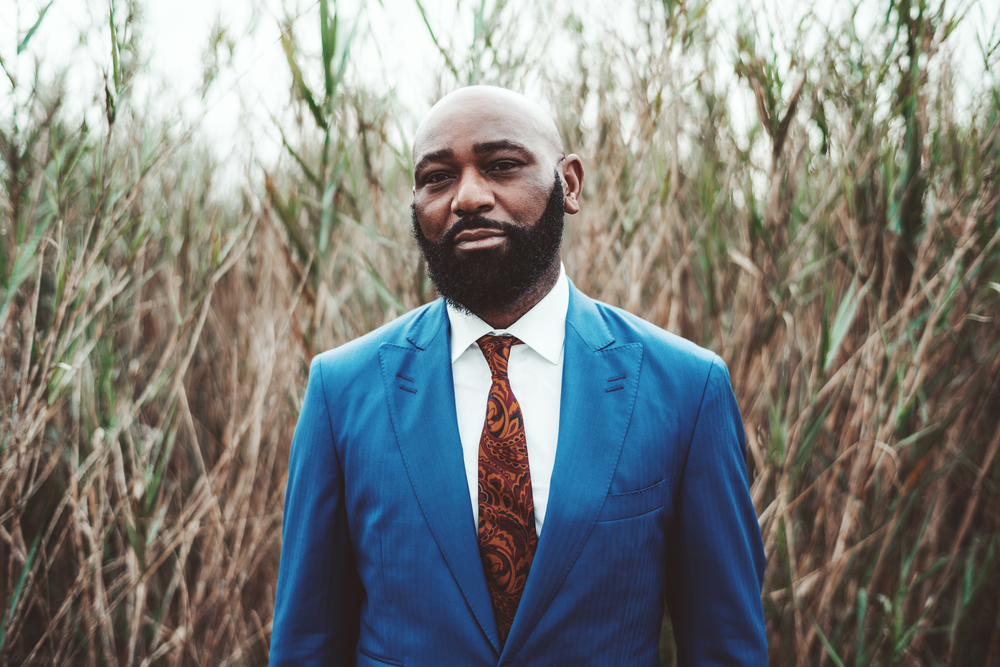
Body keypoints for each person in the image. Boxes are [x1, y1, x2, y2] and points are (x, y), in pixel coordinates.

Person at [269, 86, 767, 666]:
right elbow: (306, 644)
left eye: (502, 166)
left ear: (569, 184)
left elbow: (725, 644)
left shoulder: (684, 389)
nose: (469, 197)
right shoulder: (343, 391)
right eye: (437, 178)